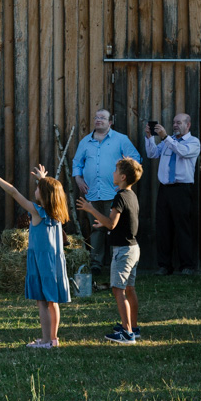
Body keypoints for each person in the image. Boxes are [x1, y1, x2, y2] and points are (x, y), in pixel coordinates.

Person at [0, 164, 71, 349]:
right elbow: (51, 191)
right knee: (52, 301)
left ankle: (46, 341)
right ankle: (53, 339)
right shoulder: (56, 212)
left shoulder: (37, 212)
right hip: (54, 261)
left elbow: (14, 192)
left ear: (44, 195)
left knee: (42, 301)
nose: (36, 189)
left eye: (38, 187)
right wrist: (42, 179)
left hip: (41, 262)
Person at [77, 156, 143, 344]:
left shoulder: (119, 196)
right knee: (129, 288)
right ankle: (133, 327)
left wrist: (90, 209)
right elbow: (122, 222)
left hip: (123, 251)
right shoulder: (130, 195)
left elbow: (112, 224)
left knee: (118, 289)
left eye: (115, 171)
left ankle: (127, 333)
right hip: (133, 248)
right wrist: (102, 224)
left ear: (122, 177)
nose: (112, 173)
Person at [72, 109, 141, 276]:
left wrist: (125, 182)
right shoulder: (85, 142)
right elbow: (76, 162)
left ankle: (115, 262)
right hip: (92, 193)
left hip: (114, 193)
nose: (98, 120)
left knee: (115, 228)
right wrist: (78, 179)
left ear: (110, 122)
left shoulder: (120, 140)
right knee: (97, 228)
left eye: (103, 118)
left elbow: (136, 159)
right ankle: (96, 263)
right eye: (96, 117)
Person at [144, 113, 201, 275]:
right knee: (163, 227)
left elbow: (182, 152)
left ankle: (187, 266)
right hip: (165, 189)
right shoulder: (168, 141)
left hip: (182, 189)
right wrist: (149, 138)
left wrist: (165, 137)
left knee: (183, 228)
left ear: (188, 125)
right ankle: (164, 265)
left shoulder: (193, 142)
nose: (175, 125)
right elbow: (152, 154)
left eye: (179, 122)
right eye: (174, 122)